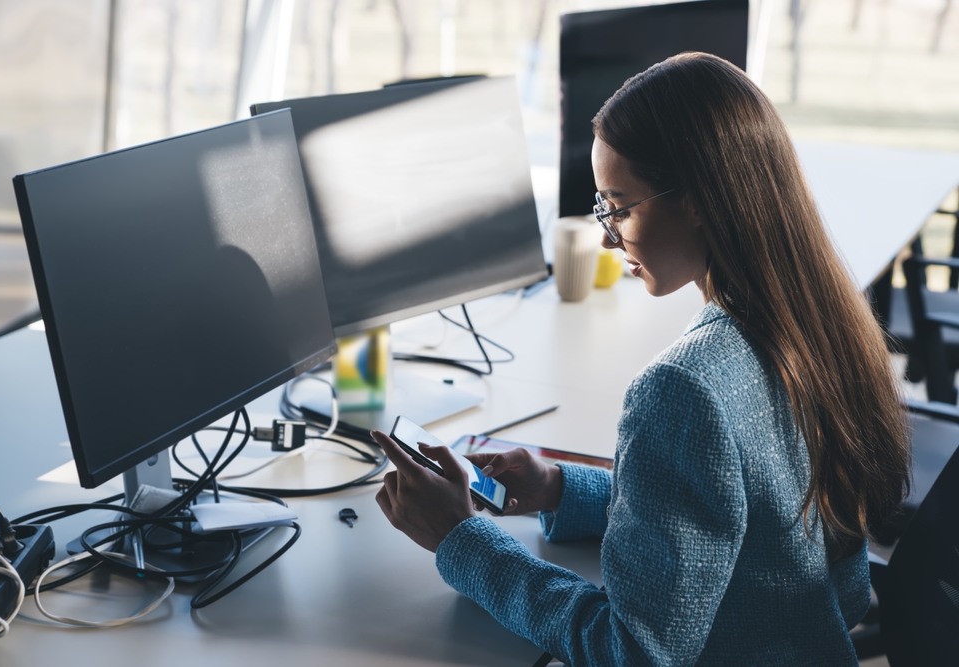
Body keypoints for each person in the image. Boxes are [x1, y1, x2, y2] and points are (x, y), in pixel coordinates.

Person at [370, 52, 910, 666]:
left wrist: (461, 540)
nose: (606, 234)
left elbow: (630, 654)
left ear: (699, 200)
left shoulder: (685, 389)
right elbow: (748, 531)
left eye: (619, 206)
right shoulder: (821, 324)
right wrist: (559, 488)